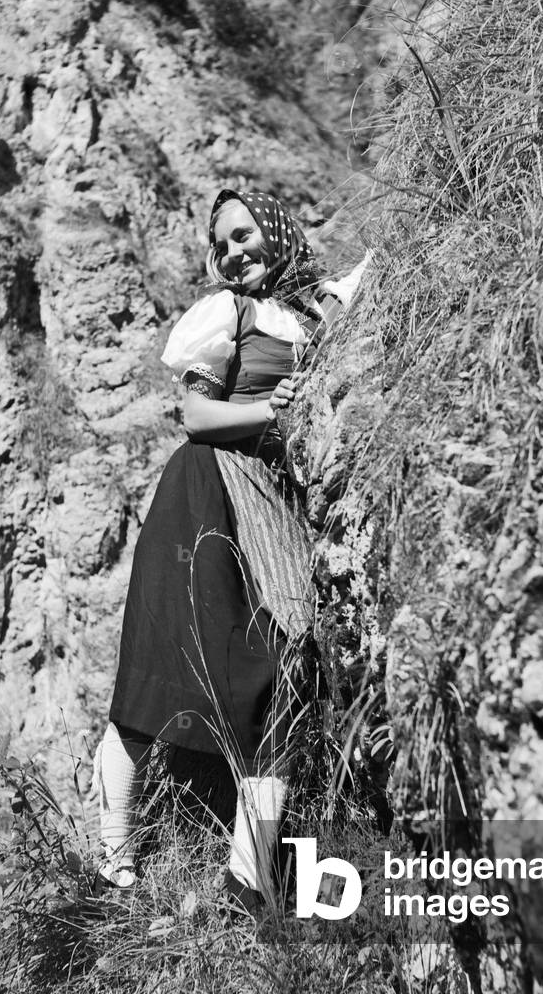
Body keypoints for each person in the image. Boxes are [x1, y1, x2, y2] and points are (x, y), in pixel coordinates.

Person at [87, 188, 369, 911]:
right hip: (206, 493)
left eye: (246, 235)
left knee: (282, 673)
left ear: (278, 232)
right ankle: (114, 869)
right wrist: (266, 412)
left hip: (272, 505)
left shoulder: (307, 313)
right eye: (224, 243)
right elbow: (195, 414)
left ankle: (247, 878)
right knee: (157, 672)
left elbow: (357, 288)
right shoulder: (230, 314)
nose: (235, 251)